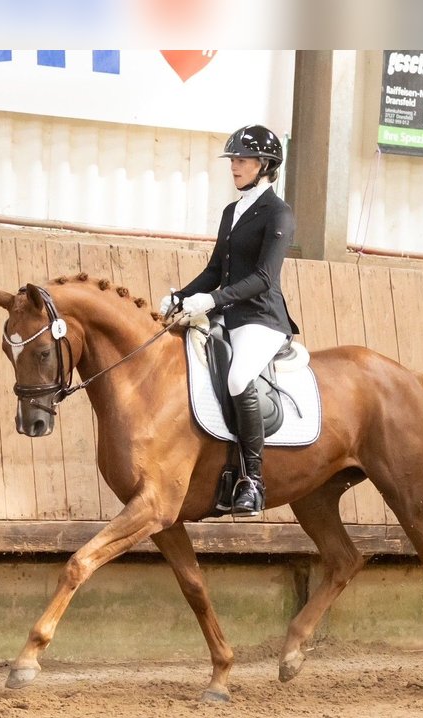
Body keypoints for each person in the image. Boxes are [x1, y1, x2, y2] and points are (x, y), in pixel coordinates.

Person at [161, 124, 298, 516]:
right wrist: (182, 296)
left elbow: (264, 278)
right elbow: (214, 270)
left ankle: (252, 480)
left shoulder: (279, 214)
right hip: (227, 314)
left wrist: (213, 299)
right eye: (233, 160)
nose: (234, 166)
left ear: (265, 164)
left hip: (262, 319)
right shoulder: (231, 211)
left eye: (242, 160)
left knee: (239, 378)